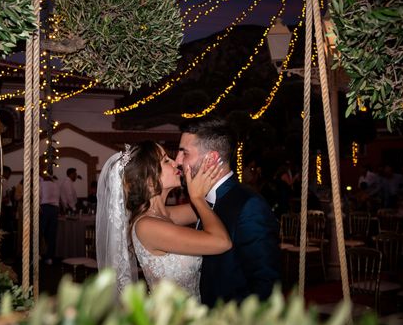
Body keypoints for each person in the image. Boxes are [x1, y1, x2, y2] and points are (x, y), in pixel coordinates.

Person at [96, 142, 230, 299]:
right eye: (166, 160)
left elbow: (213, 205)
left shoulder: (165, 215)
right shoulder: (146, 226)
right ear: (149, 180)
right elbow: (222, 242)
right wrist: (196, 198)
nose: (175, 162)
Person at [176, 118, 281, 305]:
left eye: (184, 153)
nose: (178, 161)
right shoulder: (202, 200)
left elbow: (265, 286)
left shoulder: (249, 206)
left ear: (211, 159)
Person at [40, 168, 60, 265]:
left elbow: (39, 196)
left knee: (41, 232)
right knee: (52, 234)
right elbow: (59, 197)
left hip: (45, 208)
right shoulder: (56, 184)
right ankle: (49, 257)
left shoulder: (42, 183)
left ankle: (39, 254)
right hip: (55, 209)